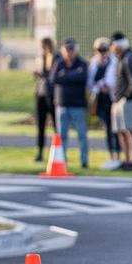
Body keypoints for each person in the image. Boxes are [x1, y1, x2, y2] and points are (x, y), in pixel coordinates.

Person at [50, 38, 90, 169]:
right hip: (62, 105)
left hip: (78, 105)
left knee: (82, 135)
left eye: (72, 49)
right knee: (62, 136)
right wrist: (72, 76)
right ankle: (62, 161)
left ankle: (84, 161)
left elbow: (82, 78)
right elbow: (54, 79)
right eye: (67, 49)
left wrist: (65, 76)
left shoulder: (82, 64)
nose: (69, 52)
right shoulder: (59, 63)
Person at [88, 37, 121, 169]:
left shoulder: (114, 61)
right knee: (107, 128)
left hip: (112, 98)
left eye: (105, 49)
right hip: (100, 99)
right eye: (100, 50)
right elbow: (90, 81)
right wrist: (99, 86)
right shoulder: (94, 63)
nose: (102, 52)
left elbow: (115, 79)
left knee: (116, 129)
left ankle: (118, 156)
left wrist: (107, 85)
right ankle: (111, 157)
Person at [111, 31, 132, 171]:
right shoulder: (120, 58)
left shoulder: (129, 58)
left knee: (130, 131)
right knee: (121, 131)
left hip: (127, 101)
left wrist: (126, 96)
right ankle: (126, 159)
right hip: (118, 100)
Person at [33, 37, 57, 162]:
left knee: (56, 126)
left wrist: (43, 74)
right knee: (40, 126)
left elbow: (53, 76)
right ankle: (40, 152)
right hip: (41, 95)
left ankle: (58, 153)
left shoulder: (55, 58)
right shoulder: (40, 58)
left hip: (51, 95)